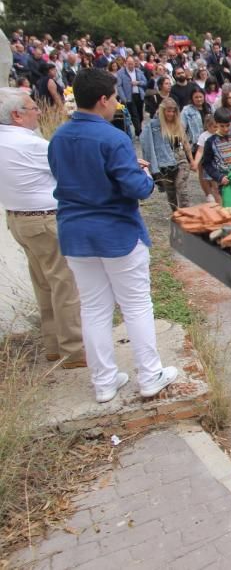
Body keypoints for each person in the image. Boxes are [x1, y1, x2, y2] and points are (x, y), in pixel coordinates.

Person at [47, 69, 178, 403]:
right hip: (116, 231)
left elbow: (68, 174)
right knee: (136, 305)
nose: (118, 103)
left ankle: (104, 382)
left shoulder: (59, 136)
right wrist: (145, 174)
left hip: (75, 232)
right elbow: (137, 188)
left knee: (93, 309)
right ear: (103, 99)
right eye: (116, 98)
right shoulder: (113, 138)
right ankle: (150, 375)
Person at [0, 89, 85, 368]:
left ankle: (53, 344)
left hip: (18, 219)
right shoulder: (30, 144)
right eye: (32, 107)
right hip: (46, 219)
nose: (38, 111)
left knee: (43, 283)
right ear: (17, 115)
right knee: (65, 283)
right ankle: (74, 349)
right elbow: (68, 169)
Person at [139, 98, 196, 211]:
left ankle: (188, 212)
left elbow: (185, 143)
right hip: (164, 162)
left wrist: (192, 160)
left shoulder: (178, 124)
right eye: (168, 111)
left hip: (180, 158)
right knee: (170, 191)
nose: (170, 114)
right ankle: (176, 213)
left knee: (181, 185)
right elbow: (146, 142)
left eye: (173, 111)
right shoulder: (154, 126)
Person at [192, 112, 222, 204]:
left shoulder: (221, 135)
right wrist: (196, 162)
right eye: (214, 127)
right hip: (210, 163)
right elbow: (200, 150)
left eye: (217, 126)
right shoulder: (204, 136)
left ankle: (219, 201)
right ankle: (216, 201)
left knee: (220, 184)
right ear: (208, 126)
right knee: (214, 184)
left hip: (220, 163)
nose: (216, 129)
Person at [116, 57, 146, 136]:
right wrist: (124, 98)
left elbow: (145, 82)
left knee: (140, 115)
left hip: (139, 95)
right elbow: (119, 86)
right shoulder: (120, 73)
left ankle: (137, 130)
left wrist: (138, 82)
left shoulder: (138, 71)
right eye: (129, 64)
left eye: (132, 64)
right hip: (129, 96)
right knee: (134, 114)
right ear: (125, 64)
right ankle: (140, 132)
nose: (131, 66)